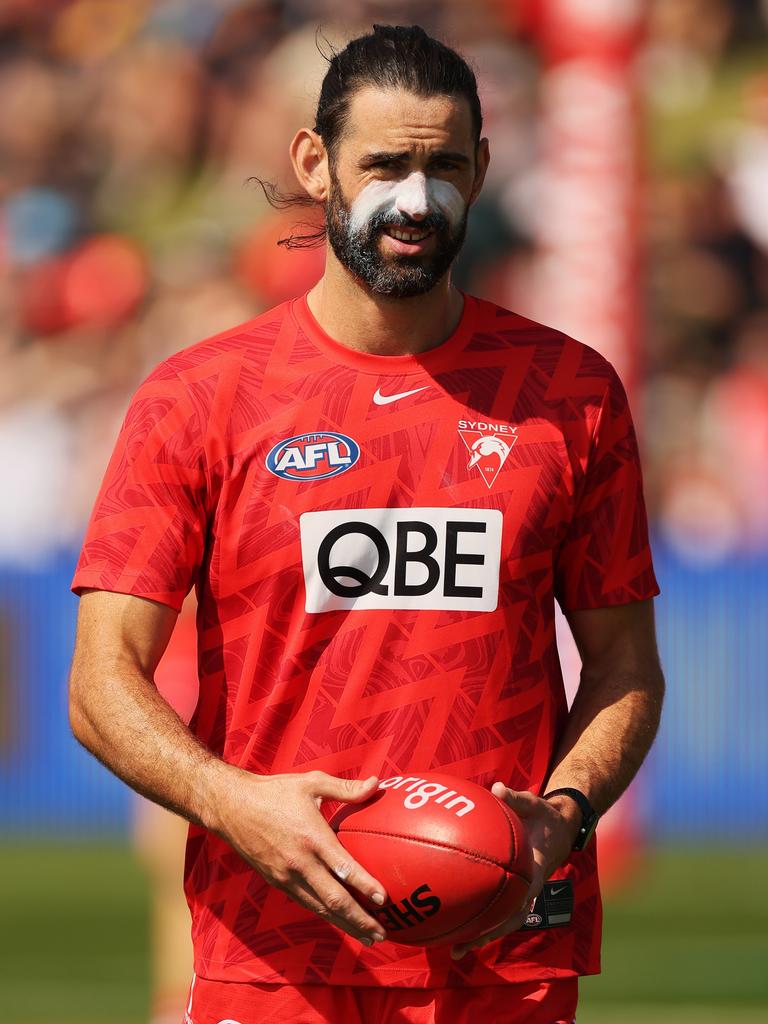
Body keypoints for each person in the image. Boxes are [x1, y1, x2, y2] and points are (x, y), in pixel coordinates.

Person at [68, 25, 665, 1024]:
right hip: (277, 954)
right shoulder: (200, 398)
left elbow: (625, 667)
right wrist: (234, 806)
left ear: (482, 170)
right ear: (315, 163)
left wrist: (557, 821)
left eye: (443, 165)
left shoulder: (572, 393)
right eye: (385, 163)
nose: (416, 199)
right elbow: (99, 682)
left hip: (506, 949)